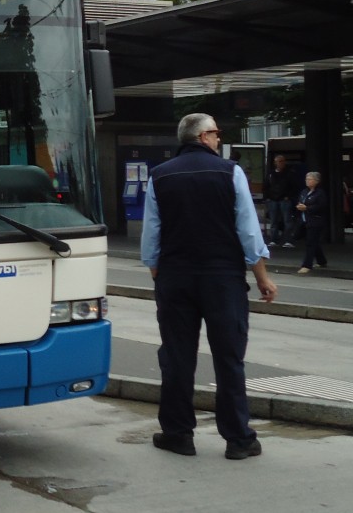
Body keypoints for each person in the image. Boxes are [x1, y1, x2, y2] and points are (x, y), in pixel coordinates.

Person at [140, 113, 276, 461]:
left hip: (175, 276)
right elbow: (247, 229)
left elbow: (151, 234)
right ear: (203, 136)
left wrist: (159, 272)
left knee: (177, 357)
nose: (219, 138)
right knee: (229, 358)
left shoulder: (159, 175)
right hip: (223, 278)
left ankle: (177, 434)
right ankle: (238, 440)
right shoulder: (230, 172)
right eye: (216, 133)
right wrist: (261, 276)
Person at [295, 171, 328, 274]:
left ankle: (307, 265)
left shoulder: (320, 193)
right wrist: (299, 206)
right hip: (305, 220)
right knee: (313, 242)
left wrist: (307, 208)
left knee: (310, 242)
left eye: (310, 179)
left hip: (315, 220)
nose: (307, 181)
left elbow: (321, 206)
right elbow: (300, 201)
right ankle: (322, 261)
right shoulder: (304, 192)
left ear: (316, 181)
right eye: (306, 179)